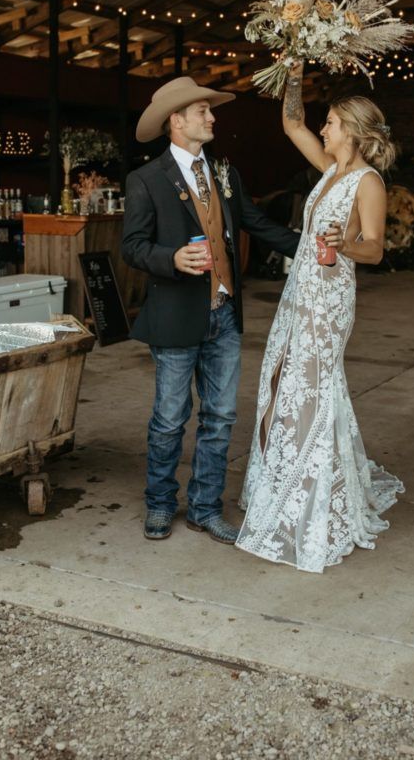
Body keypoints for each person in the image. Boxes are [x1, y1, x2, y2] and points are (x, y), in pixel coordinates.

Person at [236, 62, 404, 573]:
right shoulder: (331, 170)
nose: (323, 128)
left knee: (307, 393)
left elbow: (376, 249)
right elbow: (291, 124)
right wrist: (293, 68)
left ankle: (305, 504)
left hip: (330, 300)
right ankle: (281, 484)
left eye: (330, 121)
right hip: (299, 292)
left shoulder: (368, 183)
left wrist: (343, 243)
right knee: (278, 384)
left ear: (351, 131)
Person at [122, 76, 300, 545]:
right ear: (176, 121)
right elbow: (132, 247)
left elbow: (256, 223)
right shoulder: (145, 179)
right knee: (169, 419)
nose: (213, 117)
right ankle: (160, 505)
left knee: (220, 418)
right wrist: (171, 259)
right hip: (176, 316)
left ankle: (205, 508)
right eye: (204, 111)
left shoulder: (225, 172)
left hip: (224, 316)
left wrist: (309, 247)